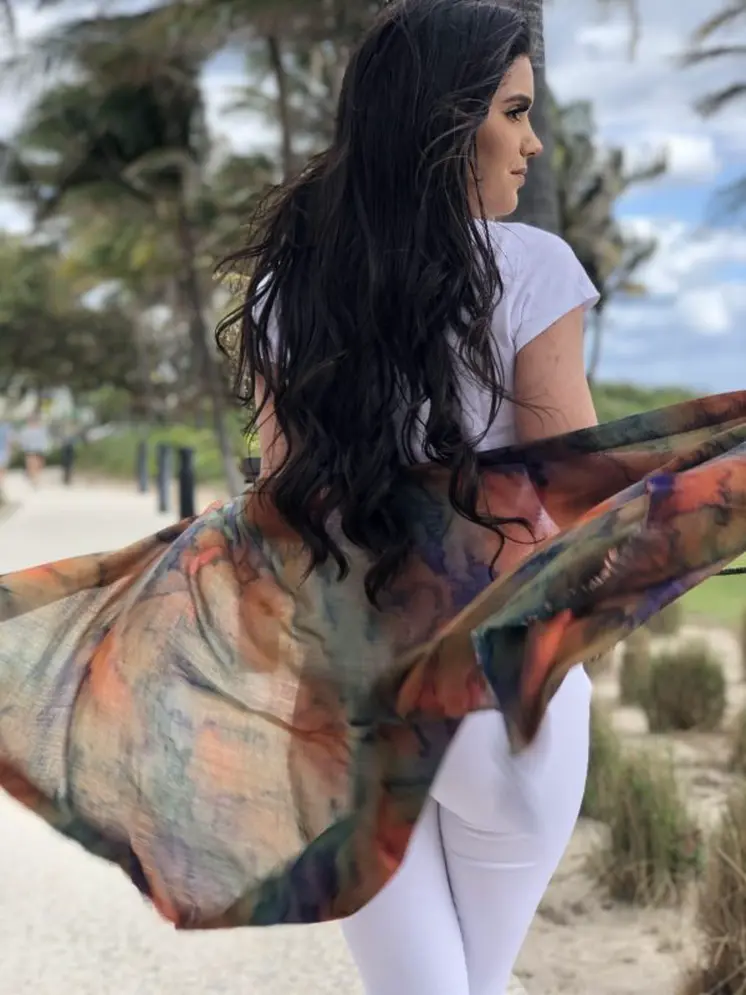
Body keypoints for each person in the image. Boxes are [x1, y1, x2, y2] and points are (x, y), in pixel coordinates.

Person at [216, 2, 597, 992]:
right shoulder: (531, 268)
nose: (531, 142)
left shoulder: (288, 292)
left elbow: (285, 517)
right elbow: (571, 506)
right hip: (502, 704)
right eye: (513, 112)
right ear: (446, 119)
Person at [18, 414, 51, 488]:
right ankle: (34, 479)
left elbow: (45, 439)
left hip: (39, 449)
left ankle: (35, 478)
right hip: (30, 450)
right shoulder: (25, 430)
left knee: (39, 465)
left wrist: (46, 448)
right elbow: (23, 441)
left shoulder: (41, 429)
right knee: (32, 464)